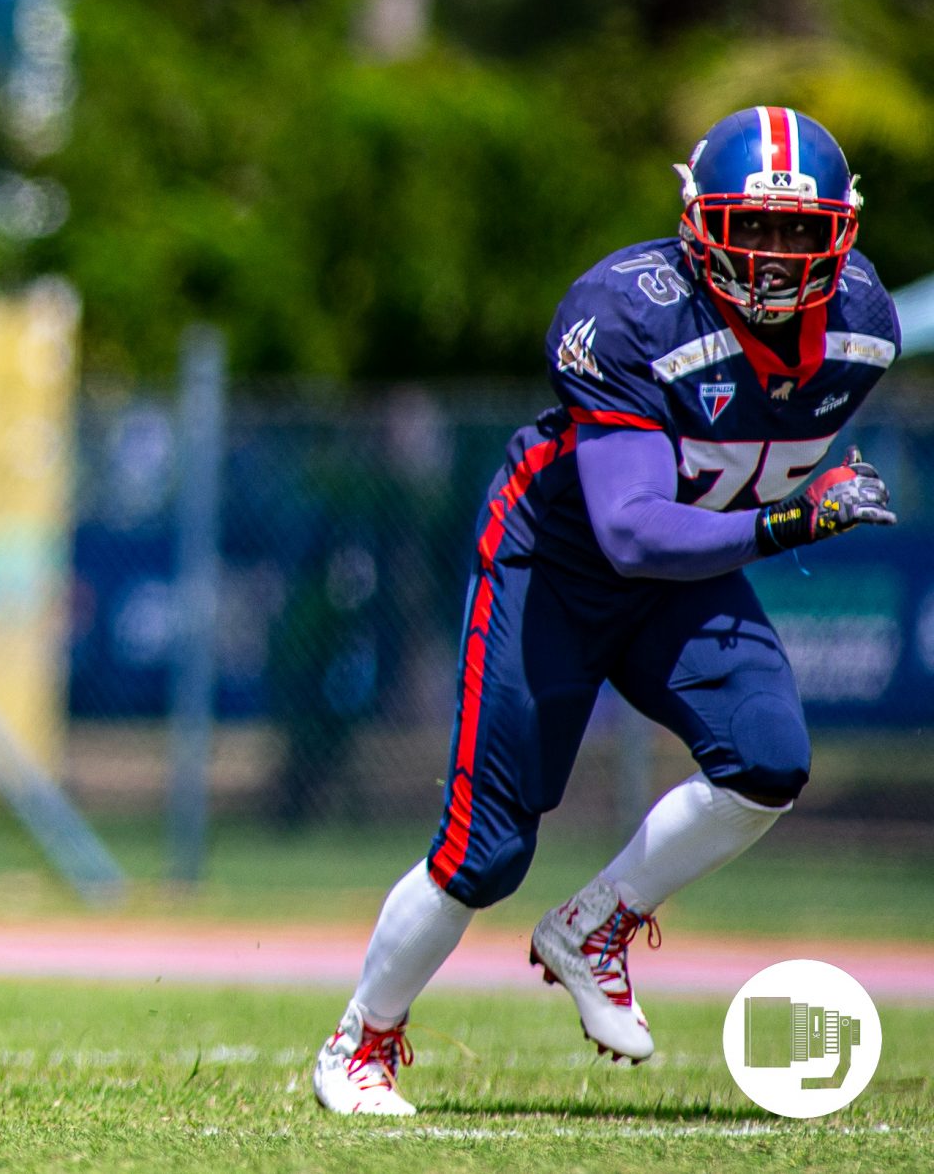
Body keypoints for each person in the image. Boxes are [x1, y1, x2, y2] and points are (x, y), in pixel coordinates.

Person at [311, 106, 900, 1116]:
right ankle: (358, 1042)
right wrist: (789, 521)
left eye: (795, 232)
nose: (768, 258)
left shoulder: (864, 328)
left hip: (691, 566)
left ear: (839, 231)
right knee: (483, 849)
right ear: (693, 220)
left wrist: (766, 513)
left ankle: (596, 924)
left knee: (765, 759)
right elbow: (629, 529)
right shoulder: (625, 313)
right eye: (745, 227)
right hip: (560, 560)